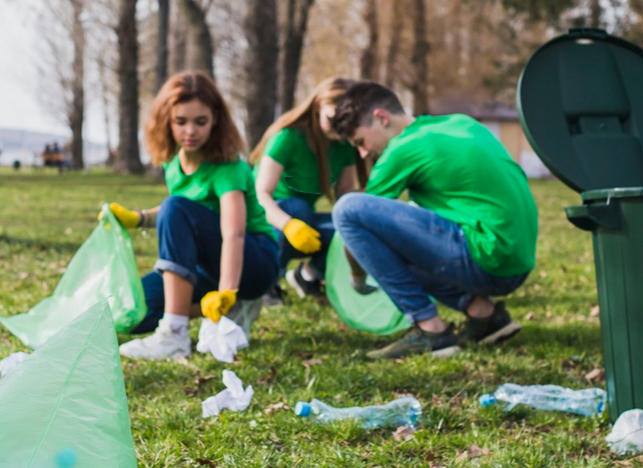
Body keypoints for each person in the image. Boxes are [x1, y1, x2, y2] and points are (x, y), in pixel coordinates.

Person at [326, 82, 538, 360]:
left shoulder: (402, 148)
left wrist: (357, 278)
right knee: (397, 231)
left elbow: (359, 223)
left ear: (381, 118)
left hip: (488, 259)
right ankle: (484, 314)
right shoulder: (459, 123)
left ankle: (429, 329)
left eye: (360, 142)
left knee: (347, 209)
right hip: (517, 261)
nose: (364, 153)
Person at [104, 72, 284, 360]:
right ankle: (212, 311)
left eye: (200, 122)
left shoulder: (228, 167)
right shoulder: (173, 164)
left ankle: (175, 334)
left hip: (254, 261)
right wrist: (138, 218)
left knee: (175, 206)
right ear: (167, 121)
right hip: (206, 264)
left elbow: (234, 233)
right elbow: (185, 212)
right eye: (181, 121)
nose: (190, 131)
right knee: (133, 310)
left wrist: (227, 289)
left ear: (215, 120)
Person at [252, 76, 373, 302]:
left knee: (347, 228)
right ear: (318, 106)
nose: (340, 126)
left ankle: (307, 275)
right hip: (266, 221)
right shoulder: (287, 138)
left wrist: (372, 201)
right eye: (334, 118)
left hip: (304, 220)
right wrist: (288, 225)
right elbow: (260, 196)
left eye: (346, 120)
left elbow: (345, 194)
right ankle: (267, 283)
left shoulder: (342, 145)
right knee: (297, 208)